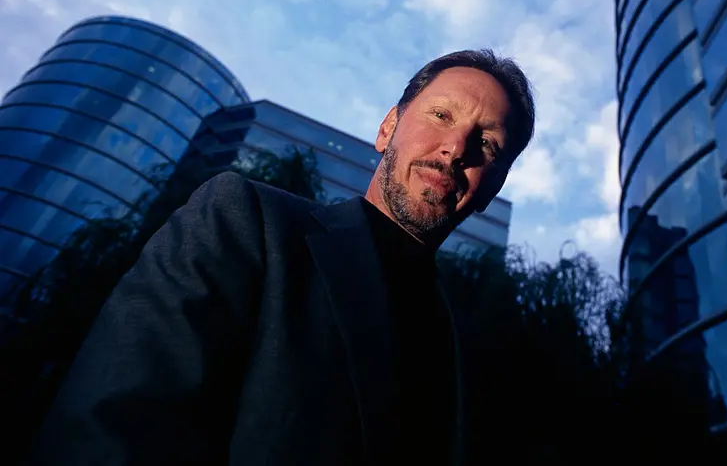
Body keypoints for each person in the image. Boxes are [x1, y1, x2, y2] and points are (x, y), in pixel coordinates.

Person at [31, 49, 535, 466]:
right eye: (441, 115)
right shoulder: (247, 223)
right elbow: (114, 425)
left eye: (487, 143)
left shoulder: (480, 361)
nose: (456, 148)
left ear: (495, 186)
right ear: (388, 128)